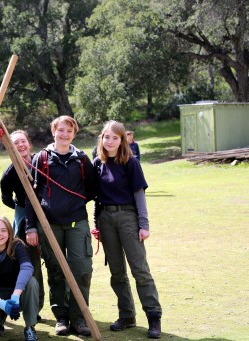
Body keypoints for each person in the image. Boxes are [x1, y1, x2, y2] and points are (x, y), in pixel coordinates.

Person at [24, 115, 96, 337]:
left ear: (74, 134)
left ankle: (79, 318)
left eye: (69, 131)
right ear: (53, 131)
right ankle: (62, 318)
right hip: (49, 226)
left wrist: (72, 204)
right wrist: (31, 227)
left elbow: (93, 189)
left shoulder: (82, 160)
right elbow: (31, 196)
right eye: (61, 130)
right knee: (56, 271)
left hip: (77, 224)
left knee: (81, 271)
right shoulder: (42, 158)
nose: (64, 134)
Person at [93, 120, 162, 339]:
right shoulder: (97, 163)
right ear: (101, 139)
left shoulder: (130, 163)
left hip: (128, 218)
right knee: (117, 272)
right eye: (106, 137)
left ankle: (153, 317)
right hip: (106, 220)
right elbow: (96, 198)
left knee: (139, 270)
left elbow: (139, 194)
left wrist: (144, 225)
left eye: (115, 137)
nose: (110, 141)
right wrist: (97, 224)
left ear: (122, 140)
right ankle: (127, 315)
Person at [0, 130, 44, 315]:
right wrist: (21, 209)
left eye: (23, 141)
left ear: (29, 143)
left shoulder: (42, 163)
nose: (20, 146)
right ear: (10, 147)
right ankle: (35, 308)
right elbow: (6, 198)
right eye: (15, 143)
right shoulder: (9, 174)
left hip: (47, 214)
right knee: (30, 264)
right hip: (24, 216)